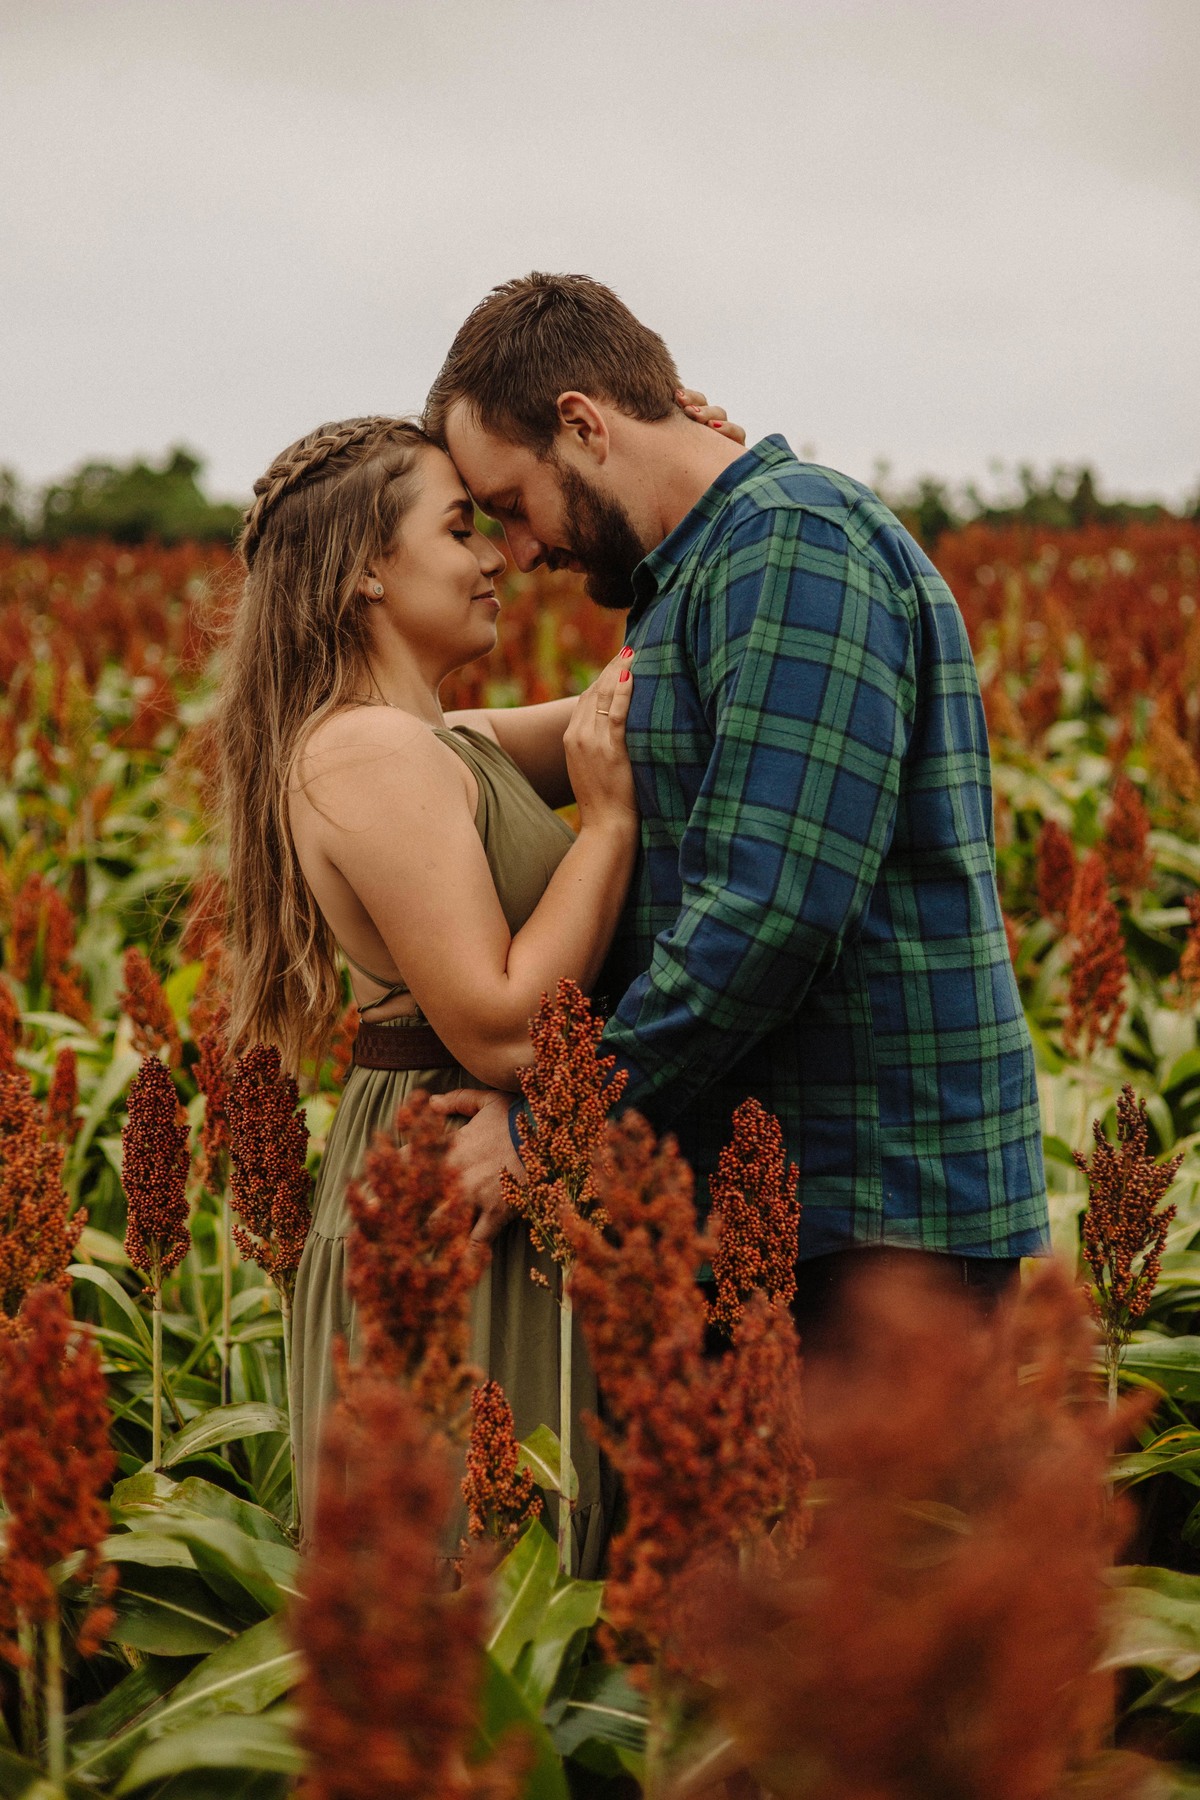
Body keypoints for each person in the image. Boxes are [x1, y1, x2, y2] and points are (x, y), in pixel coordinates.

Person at [423, 272, 1051, 1330]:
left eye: (514, 506)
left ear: (583, 426)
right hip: (784, 1214)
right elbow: (475, 755)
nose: (519, 553)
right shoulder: (703, 573)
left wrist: (552, 1130)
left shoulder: (794, 542)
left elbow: (771, 912)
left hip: (867, 1219)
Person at [214, 397, 739, 1552]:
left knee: (530, 1565)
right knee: (484, 1572)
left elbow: (647, 691)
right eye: (461, 529)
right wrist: (606, 829)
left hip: (512, 1163)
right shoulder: (362, 752)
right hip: (457, 1177)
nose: (498, 556)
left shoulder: (448, 742)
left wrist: (696, 480)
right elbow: (505, 1030)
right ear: (364, 569)